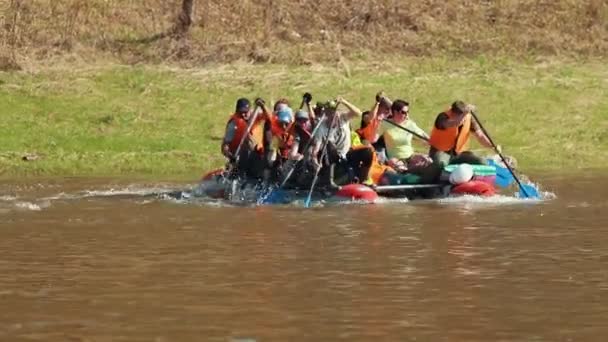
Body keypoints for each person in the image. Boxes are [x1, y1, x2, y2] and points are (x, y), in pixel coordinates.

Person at [310, 97, 372, 189]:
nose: (332, 115)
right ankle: (331, 182)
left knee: (367, 152)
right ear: (325, 114)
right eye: (329, 113)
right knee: (329, 145)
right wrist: (315, 162)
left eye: (334, 112)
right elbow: (316, 149)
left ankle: (363, 180)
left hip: (346, 154)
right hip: (332, 158)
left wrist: (344, 101)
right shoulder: (321, 127)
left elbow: (358, 113)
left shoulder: (343, 118)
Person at [428, 101, 496, 167]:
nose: (462, 119)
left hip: (459, 154)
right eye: (459, 116)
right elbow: (454, 123)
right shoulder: (442, 117)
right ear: (452, 112)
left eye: (463, 116)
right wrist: (463, 115)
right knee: (441, 163)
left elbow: (480, 135)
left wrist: (492, 146)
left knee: (482, 162)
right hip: (441, 152)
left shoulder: (468, 117)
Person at [371, 99, 431, 172]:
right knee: (400, 168)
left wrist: (432, 141)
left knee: (428, 161)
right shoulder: (385, 124)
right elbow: (373, 139)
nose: (406, 115)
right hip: (395, 159)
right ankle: (407, 171)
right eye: (403, 112)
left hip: (410, 156)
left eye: (407, 112)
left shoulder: (410, 124)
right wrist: (376, 122)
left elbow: (423, 136)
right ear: (395, 112)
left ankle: (409, 170)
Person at [221, 98, 271, 179]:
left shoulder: (256, 116)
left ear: (250, 110)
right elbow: (224, 146)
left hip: (257, 154)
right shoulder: (233, 124)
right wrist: (230, 156)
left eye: (245, 112)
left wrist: (263, 106)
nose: (244, 115)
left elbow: (270, 118)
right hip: (240, 157)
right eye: (241, 112)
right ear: (237, 112)